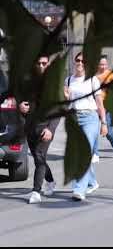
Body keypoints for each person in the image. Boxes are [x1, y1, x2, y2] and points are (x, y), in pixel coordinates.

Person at [64, 52, 108, 201]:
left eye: (83, 61)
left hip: (90, 118)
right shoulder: (69, 80)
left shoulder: (93, 80)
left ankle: (79, 190)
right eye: (78, 60)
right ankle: (92, 182)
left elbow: (100, 104)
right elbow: (67, 102)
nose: (80, 63)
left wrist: (104, 123)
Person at [19, 55, 61, 204]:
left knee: (39, 155)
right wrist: (21, 107)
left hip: (46, 127)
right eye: (39, 63)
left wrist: (51, 129)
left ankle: (36, 192)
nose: (42, 66)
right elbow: (22, 103)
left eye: (44, 63)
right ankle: (50, 182)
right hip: (30, 127)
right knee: (39, 158)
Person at [92, 55, 113, 162]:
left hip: (107, 106)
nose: (103, 66)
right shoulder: (93, 76)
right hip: (94, 106)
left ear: (107, 64)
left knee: (108, 131)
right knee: (94, 131)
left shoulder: (112, 75)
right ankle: (95, 154)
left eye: (105, 64)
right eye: (101, 64)